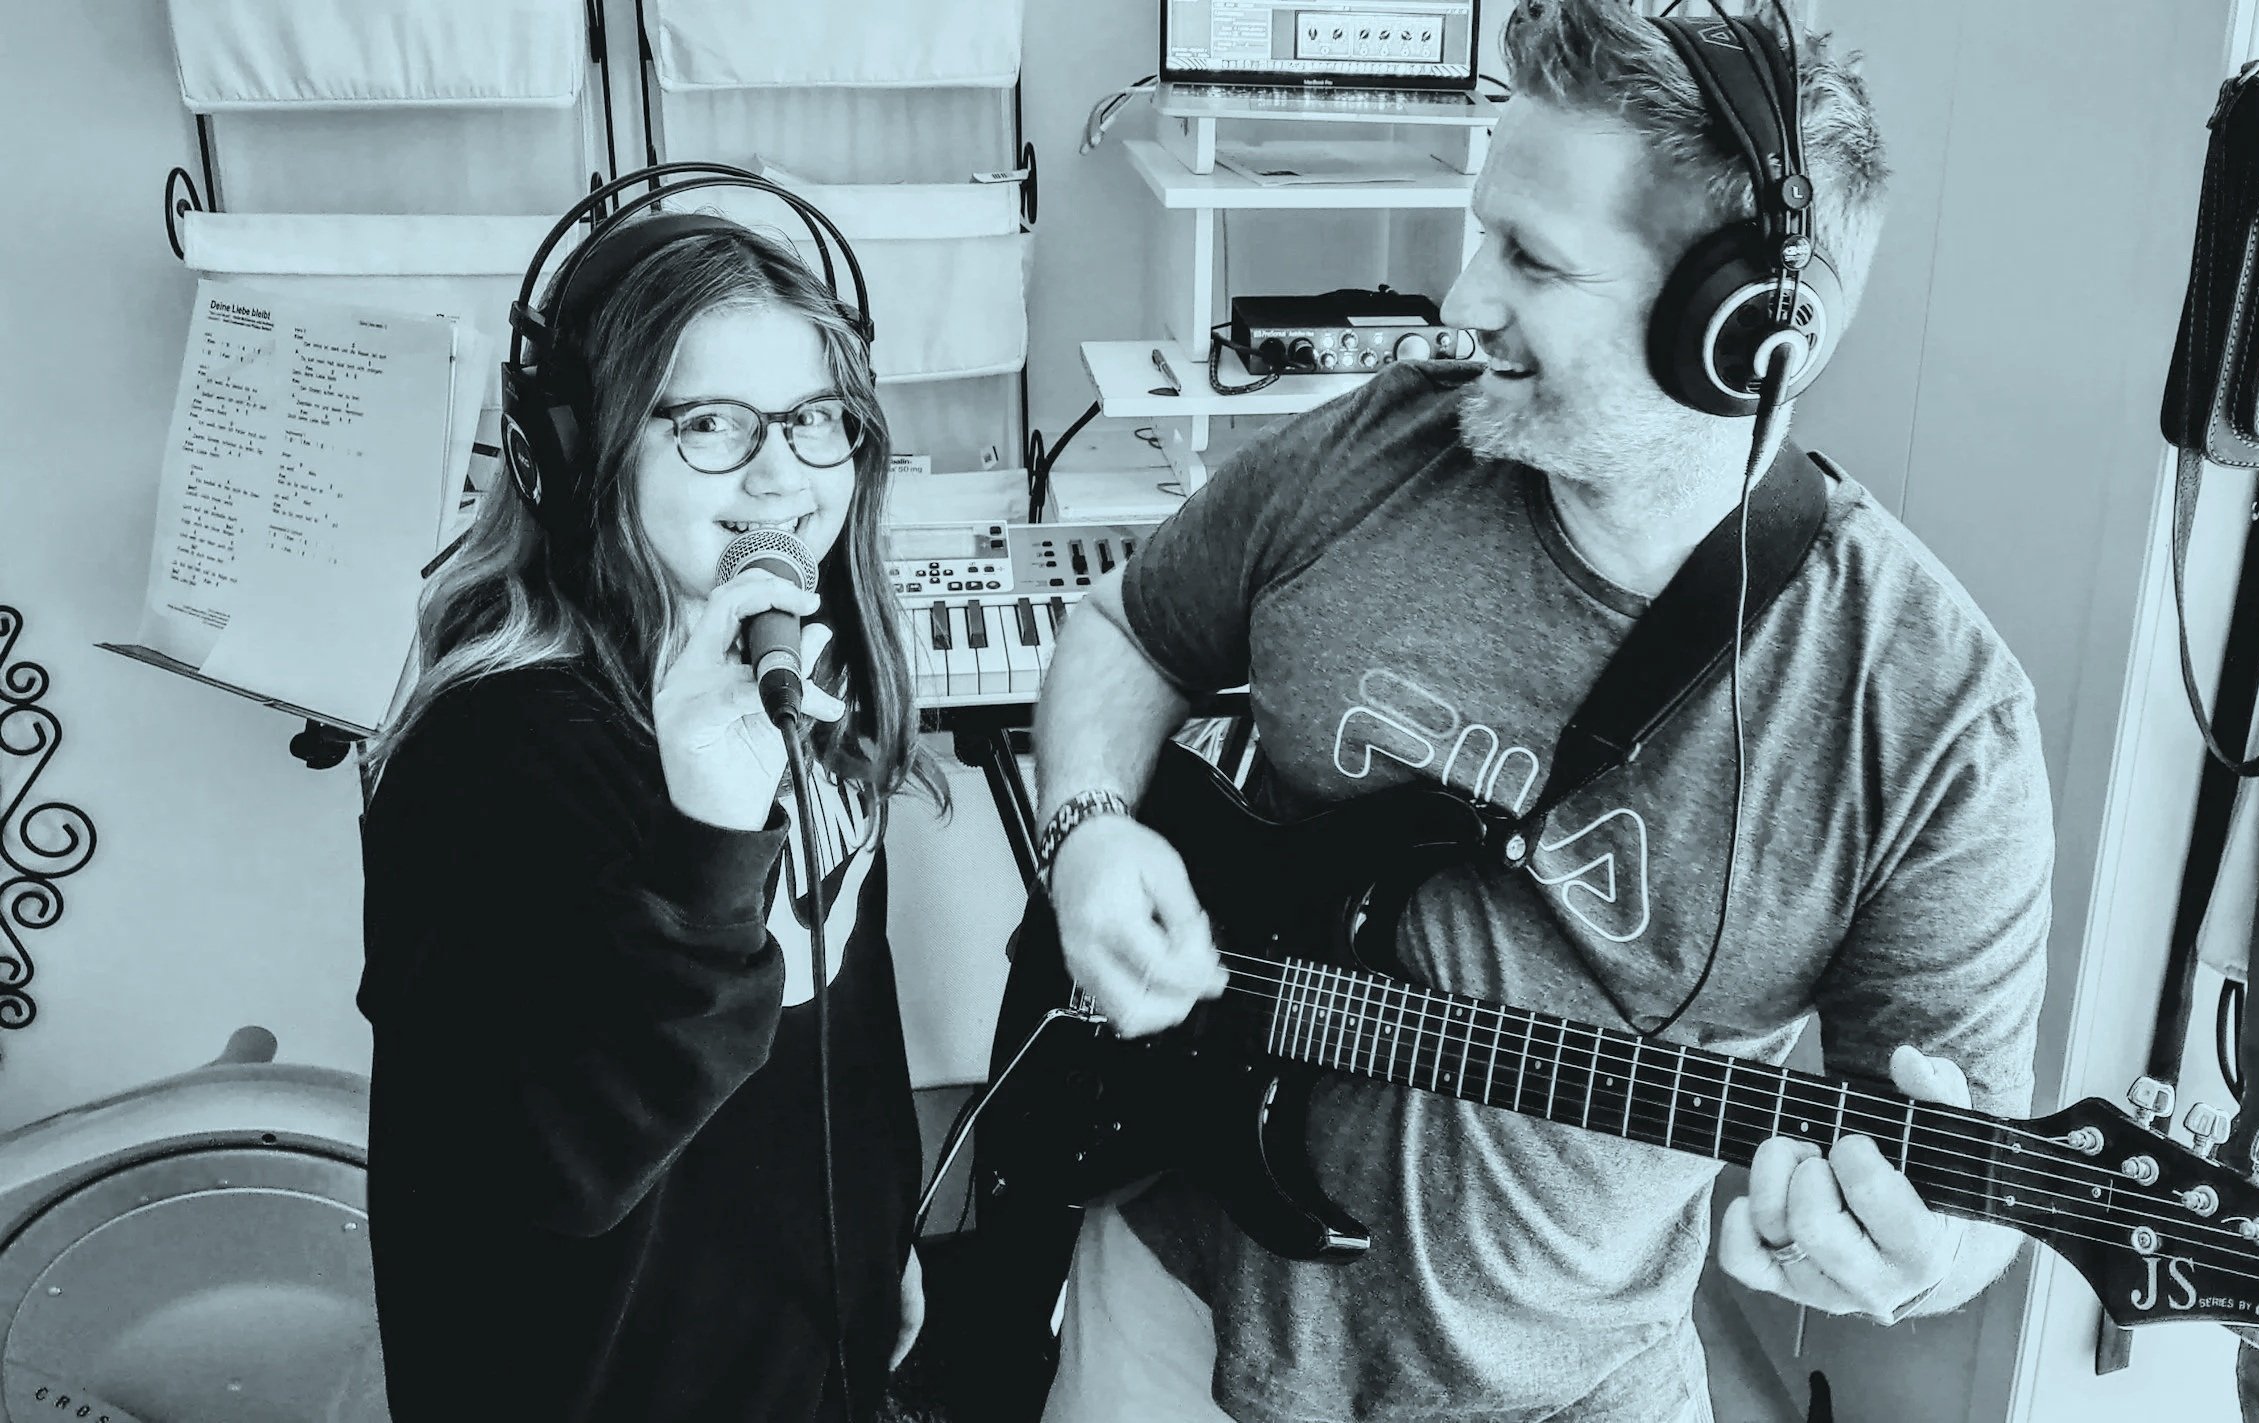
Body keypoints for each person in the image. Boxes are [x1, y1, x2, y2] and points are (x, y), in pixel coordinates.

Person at [1026, 2, 2055, 1420]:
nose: (1458, 299)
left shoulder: (1932, 713)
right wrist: (1085, 830)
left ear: (1746, 334)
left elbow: (1967, 1188)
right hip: (1172, 1289)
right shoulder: (1376, 444)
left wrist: (1914, 1246)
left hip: (1564, 1384)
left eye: (1533, 259)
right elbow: (1127, 626)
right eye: (1479, 228)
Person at [356, 205, 945, 1419]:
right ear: (575, 451)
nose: (781, 471)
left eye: (816, 419)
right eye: (713, 424)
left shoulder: (789, 678)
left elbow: (839, 1016)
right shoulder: (491, 753)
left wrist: (881, 1241)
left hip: (803, 1336)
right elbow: (549, 1165)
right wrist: (711, 856)